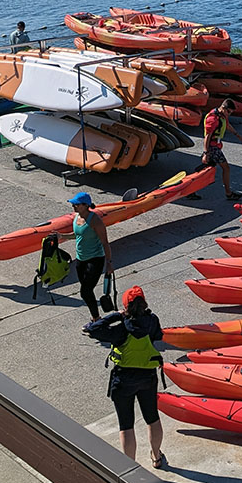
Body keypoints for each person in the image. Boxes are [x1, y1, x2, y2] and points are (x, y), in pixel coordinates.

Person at [82, 285, 165, 466]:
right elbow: (159, 335)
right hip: (147, 377)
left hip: (123, 380)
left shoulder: (121, 329)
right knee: (152, 417)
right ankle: (156, 456)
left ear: (125, 306)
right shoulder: (152, 321)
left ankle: (131, 467)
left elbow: (92, 329)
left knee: (126, 425)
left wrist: (116, 315)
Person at [57, 191, 112, 320]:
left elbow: (105, 242)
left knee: (85, 292)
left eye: (76, 204)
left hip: (95, 259)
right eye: (73, 204)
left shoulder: (95, 221)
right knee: (87, 290)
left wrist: (109, 264)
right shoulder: (77, 217)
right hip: (81, 259)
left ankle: (96, 319)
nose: (73, 206)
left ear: (86, 205)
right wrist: (62, 236)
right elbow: (77, 234)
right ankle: (96, 318)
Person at [200, 98, 242, 201]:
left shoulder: (222, 115)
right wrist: (206, 152)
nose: (229, 114)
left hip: (216, 147)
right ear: (223, 108)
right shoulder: (213, 119)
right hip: (213, 148)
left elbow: (227, 125)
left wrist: (236, 134)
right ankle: (228, 193)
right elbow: (208, 137)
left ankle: (190, 191)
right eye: (229, 112)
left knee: (205, 171)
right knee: (226, 168)